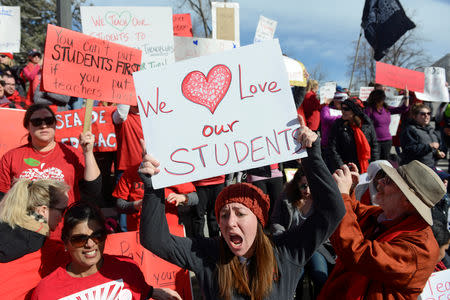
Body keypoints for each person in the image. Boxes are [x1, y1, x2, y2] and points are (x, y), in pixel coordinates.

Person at [139, 116, 346, 299]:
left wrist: (313, 157)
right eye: (223, 214)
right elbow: (155, 239)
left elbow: (333, 211)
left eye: (240, 213)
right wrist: (153, 187)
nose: (230, 222)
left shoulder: (286, 250)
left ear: (258, 220)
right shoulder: (207, 253)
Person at [318, 160, 446, 299]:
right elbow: (352, 213)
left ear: (407, 200)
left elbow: (358, 254)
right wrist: (348, 191)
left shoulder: (418, 248)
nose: (381, 181)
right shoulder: (386, 216)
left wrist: (342, 197)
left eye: (390, 180)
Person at [31, 201, 182, 300]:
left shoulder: (128, 269)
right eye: (80, 239)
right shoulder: (46, 292)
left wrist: (153, 292)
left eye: (97, 236)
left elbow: (141, 291)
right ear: (66, 243)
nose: (90, 244)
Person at [0, 104, 101, 236]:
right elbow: (2, 199)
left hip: (65, 231)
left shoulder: (71, 154)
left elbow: (93, 190)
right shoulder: (11, 157)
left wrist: (88, 152)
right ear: (27, 126)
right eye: (37, 122)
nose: (43, 126)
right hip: (23, 233)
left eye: (48, 121)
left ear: (55, 124)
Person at [270, 167, 335, 299]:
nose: (308, 190)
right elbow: (276, 221)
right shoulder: (285, 198)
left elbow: (332, 222)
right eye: (303, 186)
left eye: (311, 185)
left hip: (316, 246)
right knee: (294, 279)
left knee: (320, 275)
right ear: (296, 185)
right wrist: (282, 236)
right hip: (292, 245)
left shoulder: (322, 199)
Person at [0, 178, 70, 299]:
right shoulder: (47, 249)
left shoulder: (4, 228)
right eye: (63, 210)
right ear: (43, 210)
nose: (63, 217)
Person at [327, 98, 379, 173]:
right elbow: (332, 149)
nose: (343, 111)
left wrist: (374, 166)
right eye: (342, 108)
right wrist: (343, 167)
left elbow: (374, 146)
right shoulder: (338, 125)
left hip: (366, 167)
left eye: (346, 109)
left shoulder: (367, 124)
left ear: (355, 111)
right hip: (347, 168)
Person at [365, 89, 409, 160]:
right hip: (375, 142)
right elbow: (365, 126)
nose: (383, 99)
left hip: (387, 140)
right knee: (376, 163)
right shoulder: (369, 110)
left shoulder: (386, 109)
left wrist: (407, 95)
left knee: (385, 163)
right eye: (381, 97)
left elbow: (404, 108)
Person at [400, 103, 446, 169]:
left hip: (430, 167)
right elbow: (408, 150)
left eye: (428, 113)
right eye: (423, 114)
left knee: (446, 178)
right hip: (415, 168)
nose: (426, 116)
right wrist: (429, 146)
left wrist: (438, 154)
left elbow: (434, 150)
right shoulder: (410, 130)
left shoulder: (431, 130)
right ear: (414, 116)